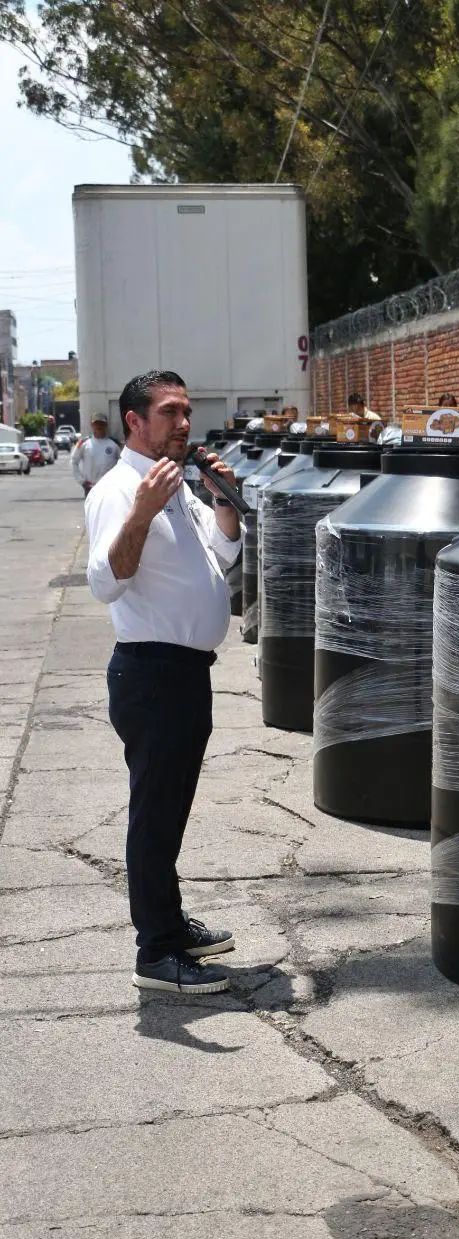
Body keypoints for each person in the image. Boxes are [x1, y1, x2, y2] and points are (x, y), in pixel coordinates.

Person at [85, 370, 242, 995]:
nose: (184, 422)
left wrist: (225, 501)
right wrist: (144, 514)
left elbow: (219, 555)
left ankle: (171, 925)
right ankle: (155, 953)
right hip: (151, 674)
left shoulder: (174, 483)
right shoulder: (120, 491)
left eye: (186, 410)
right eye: (171, 412)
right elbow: (106, 581)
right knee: (154, 815)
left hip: (185, 674)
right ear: (135, 422)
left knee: (171, 811)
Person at [71, 412, 120, 496]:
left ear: (106, 425)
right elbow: (73, 462)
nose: (99, 426)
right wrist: (81, 481)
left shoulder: (114, 444)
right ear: (91, 425)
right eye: (96, 423)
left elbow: (123, 464)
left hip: (110, 488)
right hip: (90, 487)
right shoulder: (84, 443)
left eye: (102, 423)